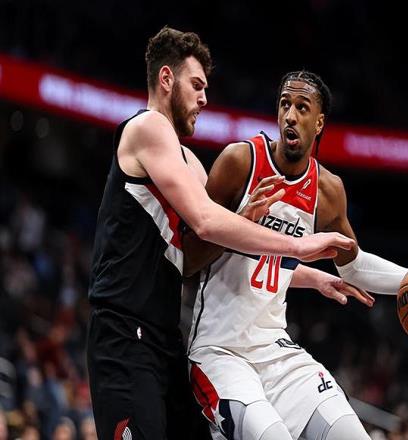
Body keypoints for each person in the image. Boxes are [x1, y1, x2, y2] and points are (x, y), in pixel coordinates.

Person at [86, 28, 355, 440]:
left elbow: (224, 247)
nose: (204, 98)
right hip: (124, 333)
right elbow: (207, 222)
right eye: (196, 85)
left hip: (163, 337)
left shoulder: (189, 163)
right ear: (166, 79)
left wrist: (307, 276)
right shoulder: (148, 127)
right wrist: (299, 245)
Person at [183, 70, 408, 440]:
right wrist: (240, 221)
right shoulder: (240, 162)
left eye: (302, 107)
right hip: (220, 351)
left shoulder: (327, 191)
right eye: (285, 104)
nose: (290, 115)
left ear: (319, 123)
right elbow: (187, 260)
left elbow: (353, 265)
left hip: (274, 347)